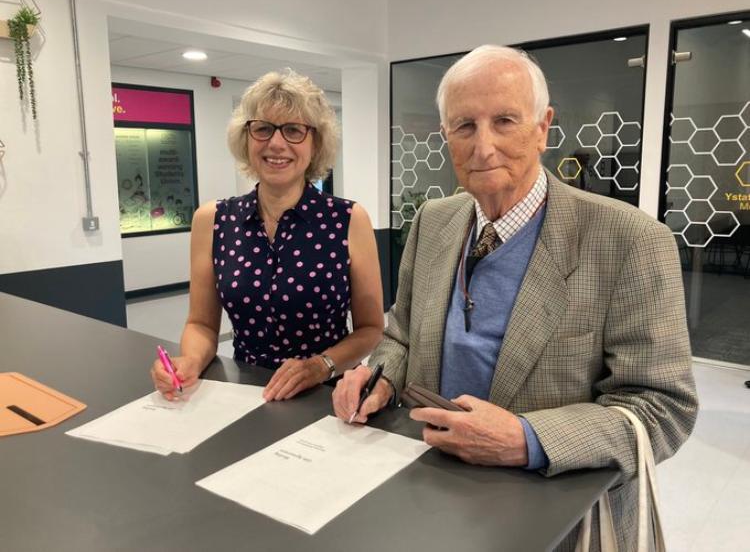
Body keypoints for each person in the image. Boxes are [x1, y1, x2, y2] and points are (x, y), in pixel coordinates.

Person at [332, 45, 697, 551]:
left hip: (560, 518)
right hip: (431, 497)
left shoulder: (628, 240)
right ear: (446, 137)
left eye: (504, 121)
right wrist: (380, 377)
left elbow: (663, 409)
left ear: (543, 127)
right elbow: (401, 332)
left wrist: (526, 440)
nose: (483, 147)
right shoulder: (433, 222)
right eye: (464, 126)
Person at [152, 69, 384, 402]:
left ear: (316, 142)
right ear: (246, 139)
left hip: (327, 396)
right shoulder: (213, 220)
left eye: (293, 130)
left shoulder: (347, 220)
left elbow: (371, 329)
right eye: (262, 128)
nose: (276, 143)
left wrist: (321, 365)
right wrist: (189, 361)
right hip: (245, 393)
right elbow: (202, 323)